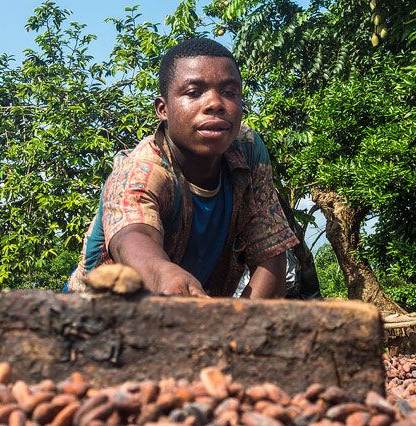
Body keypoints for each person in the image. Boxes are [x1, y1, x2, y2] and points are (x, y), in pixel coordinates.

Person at [67, 38, 298, 297]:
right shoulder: (142, 168)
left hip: (196, 314)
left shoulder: (247, 150)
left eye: (230, 92)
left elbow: (270, 255)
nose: (215, 103)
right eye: (194, 92)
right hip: (92, 315)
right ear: (163, 109)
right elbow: (131, 237)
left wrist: (239, 327)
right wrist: (162, 273)